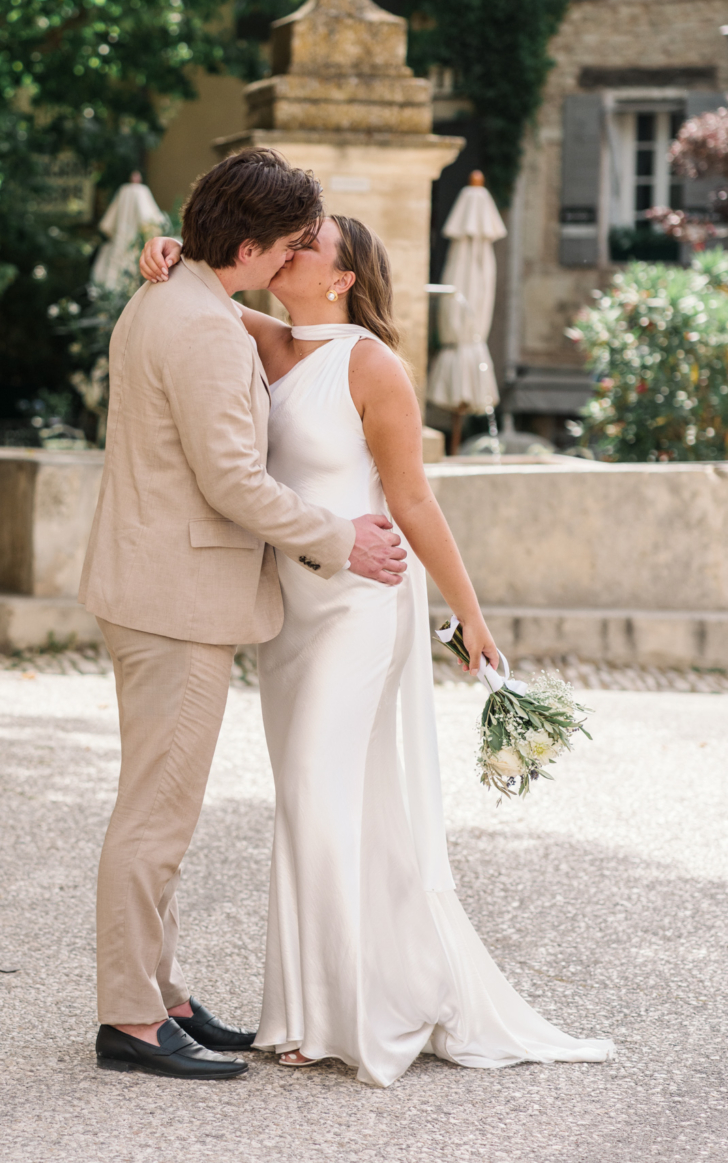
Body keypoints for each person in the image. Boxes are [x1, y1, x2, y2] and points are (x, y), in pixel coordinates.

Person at [138, 211, 615, 1086]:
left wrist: (472, 618)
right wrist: (166, 246)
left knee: (324, 792)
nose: (287, 249)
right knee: (306, 802)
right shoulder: (271, 340)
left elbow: (417, 502)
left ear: (341, 278)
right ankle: (308, 1014)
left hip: (365, 604)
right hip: (292, 614)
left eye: (306, 244)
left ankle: (365, 1012)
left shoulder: (372, 365)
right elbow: (197, 280)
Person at [79, 148, 410, 1082]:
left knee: (161, 805)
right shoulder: (207, 329)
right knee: (156, 817)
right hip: (173, 601)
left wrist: (170, 249)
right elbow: (233, 482)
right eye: (294, 241)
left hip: (156, 588)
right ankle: (132, 1020)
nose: (301, 253)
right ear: (256, 245)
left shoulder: (177, 295)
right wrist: (342, 539)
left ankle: (164, 994)